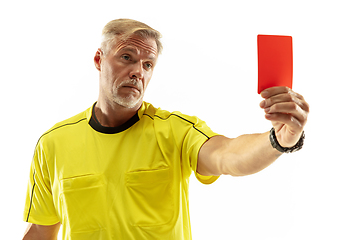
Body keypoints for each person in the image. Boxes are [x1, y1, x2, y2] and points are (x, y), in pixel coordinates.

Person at [22, 19, 309, 240]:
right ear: (99, 60)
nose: (139, 71)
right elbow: (41, 231)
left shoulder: (175, 131)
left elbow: (227, 155)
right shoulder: (53, 143)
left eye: (148, 64)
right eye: (127, 58)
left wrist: (279, 140)